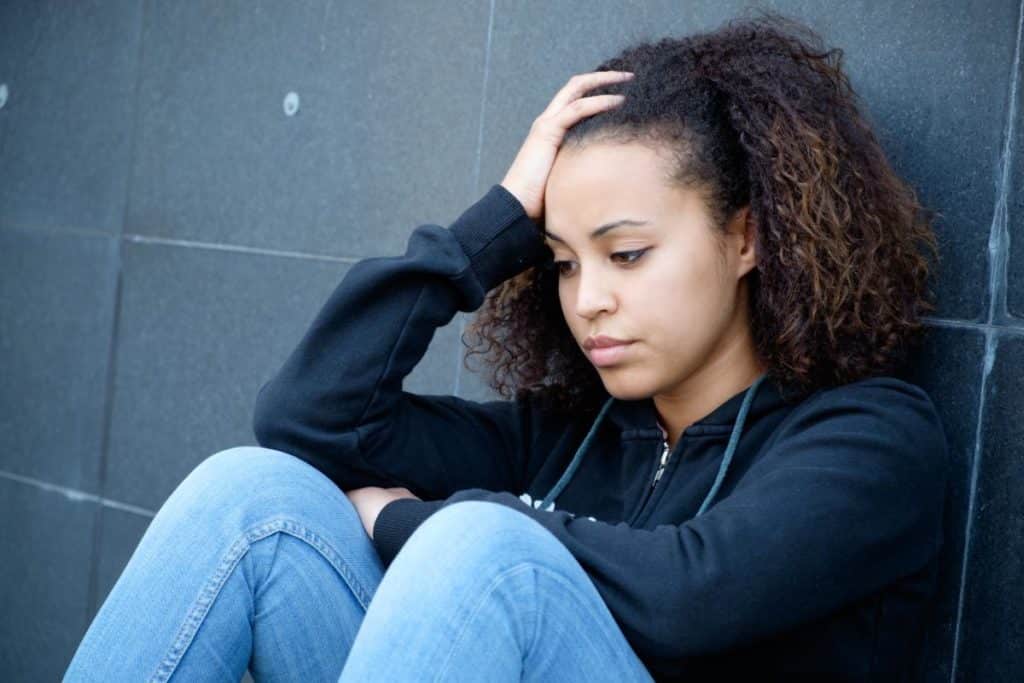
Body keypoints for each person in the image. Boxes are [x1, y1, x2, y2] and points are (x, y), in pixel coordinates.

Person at [64, 10, 949, 682]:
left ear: (747, 237)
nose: (589, 300)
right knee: (249, 495)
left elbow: (689, 597)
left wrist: (407, 520)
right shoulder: (569, 438)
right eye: (561, 262)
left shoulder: (870, 438)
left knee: (488, 548)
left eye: (628, 252)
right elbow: (306, 416)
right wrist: (494, 226)